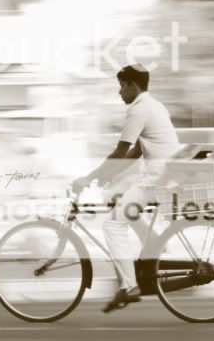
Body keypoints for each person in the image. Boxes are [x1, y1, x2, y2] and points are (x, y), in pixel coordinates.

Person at [72, 64, 180, 313]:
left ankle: (130, 286)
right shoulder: (154, 105)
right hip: (165, 176)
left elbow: (121, 151)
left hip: (157, 180)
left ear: (133, 85)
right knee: (120, 198)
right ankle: (154, 246)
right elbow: (135, 153)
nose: (119, 92)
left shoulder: (138, 111)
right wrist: (107, 174)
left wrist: (88, 177)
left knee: (111, 224)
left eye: (122, 86)